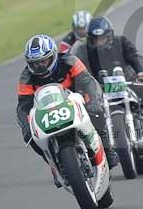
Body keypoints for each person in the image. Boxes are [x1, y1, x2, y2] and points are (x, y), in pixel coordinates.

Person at [15, 34, 118, 168]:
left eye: (43, 61)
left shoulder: (70, 61)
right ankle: (54, 164)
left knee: (97, 112)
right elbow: (23, 106)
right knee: (30, 136)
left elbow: (88, 83)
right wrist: (26, 127)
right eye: (35, 63)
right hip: (48, 110)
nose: (39, 66)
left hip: (77, 99)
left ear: (53, 56)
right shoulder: (26, 77)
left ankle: (107, 148)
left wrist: (93, 102)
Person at [74, 16, 143, 145]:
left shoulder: (121, 42)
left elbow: (135, 57)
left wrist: (142, 72)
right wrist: (80, 87)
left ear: (109, 35)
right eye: (95, 39)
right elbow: (77, 70)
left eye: (103, 38)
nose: (99, 42)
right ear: (89, 38)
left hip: (126, 82)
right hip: (98, 89)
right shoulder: (82, 50)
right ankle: (98, 146)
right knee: (85, 112)